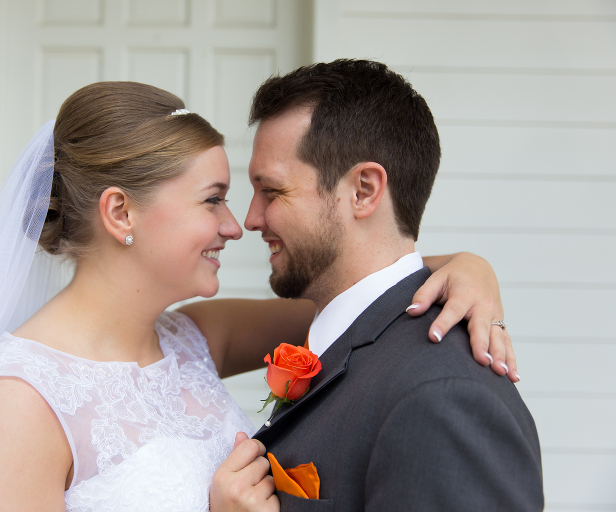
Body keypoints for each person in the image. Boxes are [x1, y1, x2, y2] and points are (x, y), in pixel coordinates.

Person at [0, 81, 515, 512]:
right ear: (120, 211)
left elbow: (364, 292)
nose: (238, 225)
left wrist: (470, 267)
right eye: (213, 199)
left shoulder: (199, 335)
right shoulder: (10, 409)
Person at [211, 59, 543, 511]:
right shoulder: (355, 339)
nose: (250, 219)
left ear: (364, 190)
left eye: (272, 191)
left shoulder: (444, 395)